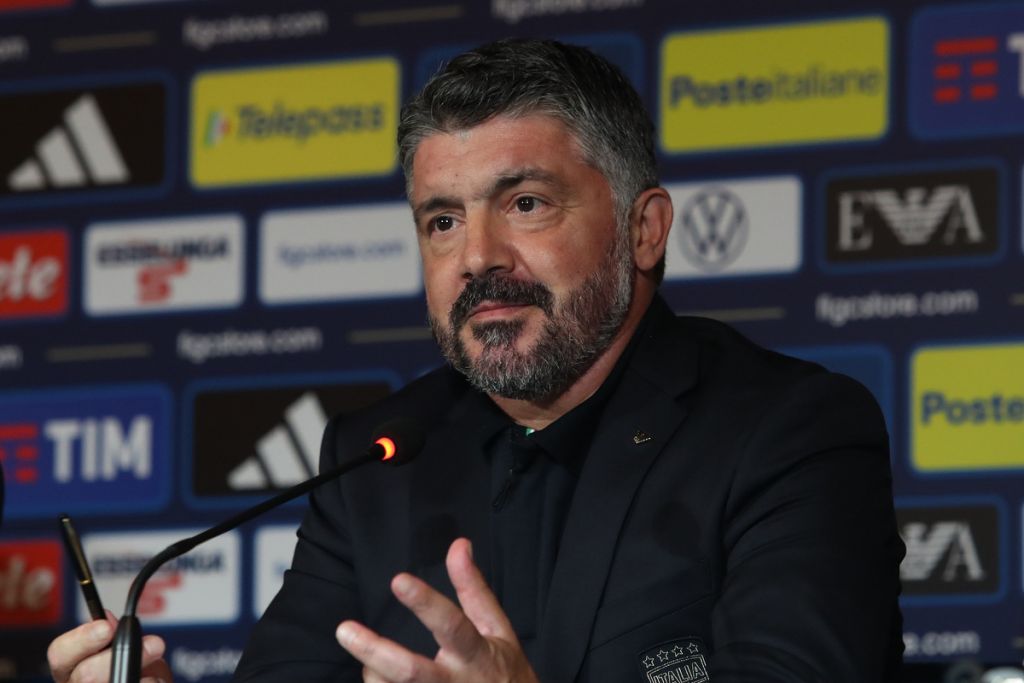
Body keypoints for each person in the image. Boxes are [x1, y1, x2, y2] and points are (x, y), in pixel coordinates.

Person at [48, 38, 904, 683]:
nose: (477, 258)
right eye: (443, 221)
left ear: (643, 230)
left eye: (525, 203)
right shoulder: (377, 458)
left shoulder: (788, 430)